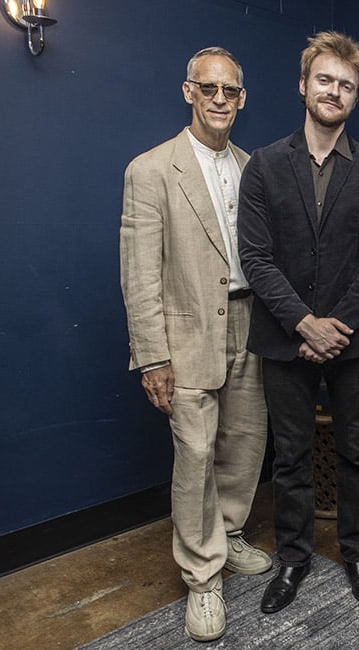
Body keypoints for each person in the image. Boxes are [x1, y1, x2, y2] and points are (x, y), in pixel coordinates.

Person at [237, 31, 359, 615]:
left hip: (356, 342)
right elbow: (256, 258)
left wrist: (333, 328)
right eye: (325, 80)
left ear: (356, 99)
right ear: (303, 85)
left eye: (347, 85)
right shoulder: (262, 166)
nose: (335, 91)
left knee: (358, 452)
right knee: (291, 457)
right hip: (285, 339)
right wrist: (305, 323)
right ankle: (293, 558)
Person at [119, 47, 271, 642]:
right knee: (197, 454)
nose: (219, 99)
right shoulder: (151, 169)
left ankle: (228, 536)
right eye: (207, 88)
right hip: (186, 334)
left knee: (244, 442)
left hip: (251, 324)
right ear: (188, 92)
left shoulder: (252, 166)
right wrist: (152, 355)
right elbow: (139, 272)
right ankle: (202, 578)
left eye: (229, 91)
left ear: (242, 99)